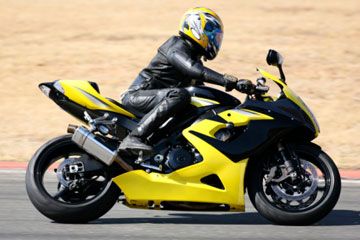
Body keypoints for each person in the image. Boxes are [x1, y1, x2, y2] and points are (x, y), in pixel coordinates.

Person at [118, 7, 253, 153]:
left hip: (158, 99)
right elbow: (192, 68)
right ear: (197, 29)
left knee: (198, 106)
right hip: (136, 96)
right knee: (179, 95)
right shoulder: (176, 46)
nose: (215, 39)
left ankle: (165, 146)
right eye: (212, 34)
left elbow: (202, 92)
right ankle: (134, 137)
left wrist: (235, 105)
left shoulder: (195, 60)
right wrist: (228, 81)